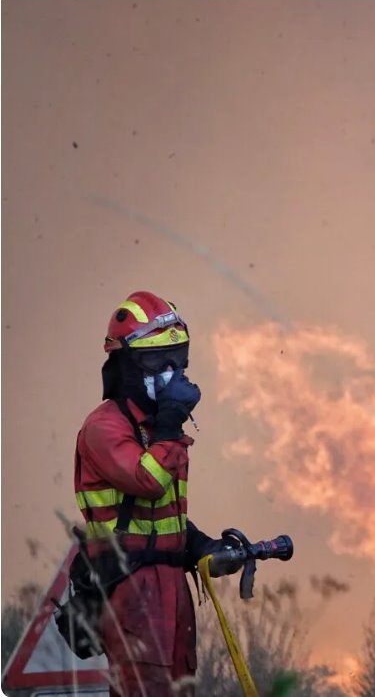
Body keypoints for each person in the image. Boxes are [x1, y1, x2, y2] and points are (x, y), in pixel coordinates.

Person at [74, 291, 228, 696]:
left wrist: (201, 545)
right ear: (125, 364)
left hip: (171, 589)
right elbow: (148, 481)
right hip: (133, 590)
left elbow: (158, 511)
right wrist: (172, 425)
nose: (171, 370)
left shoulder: (157, 429)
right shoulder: (105, 428)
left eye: (177, 356)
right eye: (157, 360)